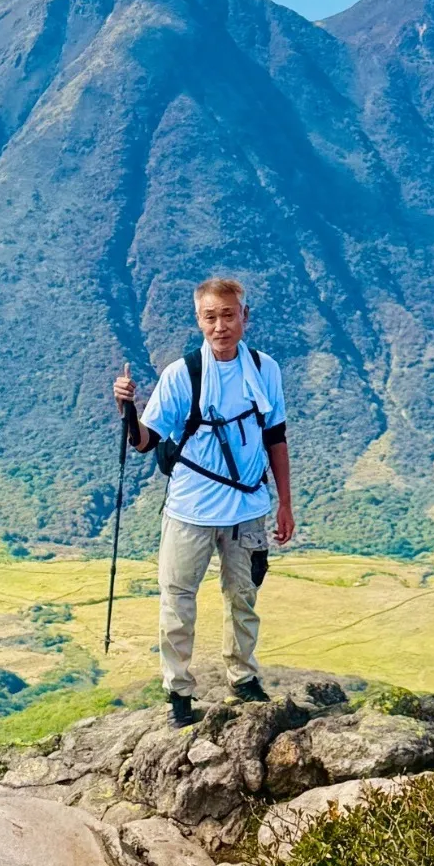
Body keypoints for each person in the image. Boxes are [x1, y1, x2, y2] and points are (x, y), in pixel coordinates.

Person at [113, 277, 294, 723]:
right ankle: (178, 692)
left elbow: (276, 437)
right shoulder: (182, 374)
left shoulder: (264, 369)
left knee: (244, 599)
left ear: (244, 317)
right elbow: (145, 441)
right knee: (177, 601)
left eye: (229, 315)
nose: (220, 326)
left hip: (247, 510)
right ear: (199, 320)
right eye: (210, 317)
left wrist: (285, 503)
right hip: (190, 510)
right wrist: (128, 410)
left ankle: (244, 679)